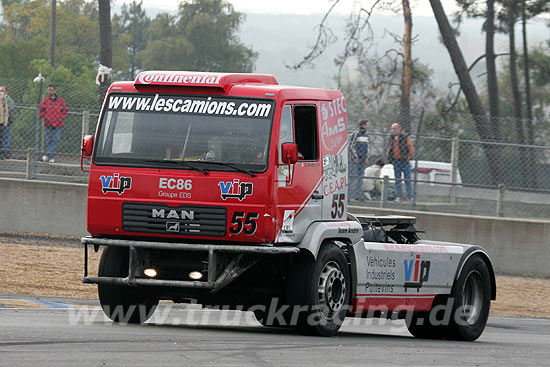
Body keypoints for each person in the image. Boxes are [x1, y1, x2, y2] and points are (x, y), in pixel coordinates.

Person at [387, 122, 415, 201]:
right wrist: (391, 159)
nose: (393, 130)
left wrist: (409, 156)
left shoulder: (405, 137)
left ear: (399, 129)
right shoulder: (391, 138)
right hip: (396, 161)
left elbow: (410, 147)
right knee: (397, 180)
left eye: (395, 128)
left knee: (407, 179)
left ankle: (410, 196)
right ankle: (399, 196)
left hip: (405, 161)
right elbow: (389, 148)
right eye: (392, 129)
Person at [39, 85, 67, 163]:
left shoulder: (60, 101)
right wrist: (45, 116)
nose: (50, 92)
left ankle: (48, 155)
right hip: (48, 123)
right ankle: (51, 156)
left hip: (58, 123)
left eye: (51, 90)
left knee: (56, 139)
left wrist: (61, 117)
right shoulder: (46, 101)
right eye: (48, 90)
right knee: (49, 140)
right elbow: (40, 110)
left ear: (54, 91)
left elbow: (65, 110)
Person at [349, 119, 370, 201]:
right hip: (356, 160)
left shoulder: (367, 135)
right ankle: (348, 196)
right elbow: (351, 146)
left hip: (363, 160)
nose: (368, 126)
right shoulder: (356, 134)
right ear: (363, 125)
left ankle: (358, 196)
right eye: (367, 124)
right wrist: (355, 157)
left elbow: (368, 147)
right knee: (352, 177)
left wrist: (367, 157)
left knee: (360, 178)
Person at [0, 86, 14, 159]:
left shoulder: (8, 100)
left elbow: (9, 110)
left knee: (5, 139)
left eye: (2, 91)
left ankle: (4, 153)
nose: (1, 92)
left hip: (6, 122)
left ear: (6, 92)